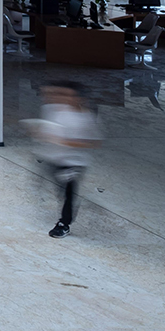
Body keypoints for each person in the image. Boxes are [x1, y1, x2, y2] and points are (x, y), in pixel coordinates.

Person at [25, 81, 100, 237]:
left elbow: (94, 141)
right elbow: (44, 130)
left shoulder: (86, 117)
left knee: (68, 191)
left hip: (74, 162)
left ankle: (64, 224)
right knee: (58, 188)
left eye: (68, 96)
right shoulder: (52, 110)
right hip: (54, 158)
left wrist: (65, 141)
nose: (64, 98)